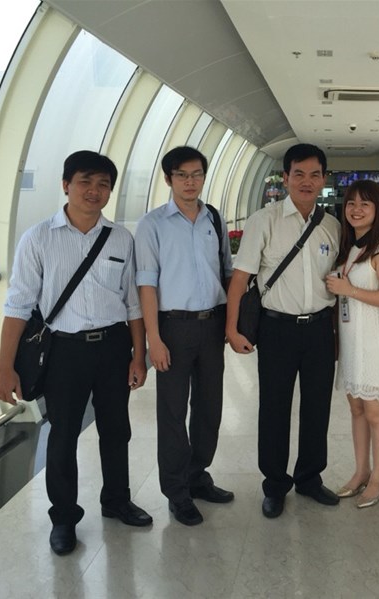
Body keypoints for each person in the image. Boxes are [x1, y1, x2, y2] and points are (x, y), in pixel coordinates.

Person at [0, 150, 151, 556]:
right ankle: (64, 518)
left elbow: (132, 303)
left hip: (114, 347)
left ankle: (116, 500)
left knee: (116, 429)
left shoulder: (120, 238)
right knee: (63, 435)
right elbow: (18, 305)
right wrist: (5, 367)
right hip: (63, 352)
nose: (94, 191)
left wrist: (139, 356)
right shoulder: (38, 238)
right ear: (66, 185)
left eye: (103, 184)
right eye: (85, 182)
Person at [226, 143, 342, 519]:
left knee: (317, 407)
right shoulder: (265, 220)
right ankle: (275, 485)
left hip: (320, 330)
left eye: (314, 174)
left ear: (323, 179)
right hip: (277, 329)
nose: (307, 182)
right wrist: (232, 329)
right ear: (286, 177)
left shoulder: (332, 226)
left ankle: (309, 478)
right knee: (274, 409)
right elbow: (240, 280)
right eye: (298, 174)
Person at [134, 146, 234, 527]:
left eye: (196, 174)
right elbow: (146, 285)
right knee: (173, 413)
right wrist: (153, 340)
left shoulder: (214, 219)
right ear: (168, 179)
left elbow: (226, 271)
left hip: (212, 325)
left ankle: (197, 476)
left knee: (210, 407)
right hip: (172, 327)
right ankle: (177, 492)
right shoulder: (152, 225)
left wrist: (230, 324)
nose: (190, 182)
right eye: (182, 175)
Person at [325, 180, 379, 509]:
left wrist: (349, 290)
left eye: (365, 204)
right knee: (356, 409)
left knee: (375, 413)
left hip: (373, 341)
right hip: (351, 340)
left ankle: (378, 477)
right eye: (351, 203)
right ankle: (361, 472)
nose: (356, 209)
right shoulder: (348, 247)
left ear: (377, 209)